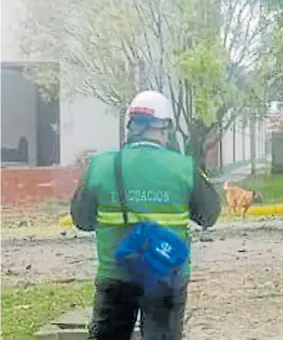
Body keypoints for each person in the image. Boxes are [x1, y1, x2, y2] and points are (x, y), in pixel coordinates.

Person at [70, 90, 222, 340]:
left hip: (115, 275)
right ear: (164, 128)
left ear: (131, 127)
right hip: (166, 275)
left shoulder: (99, 166)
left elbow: (82, 220)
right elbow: (209, 215)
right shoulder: (184, 167)